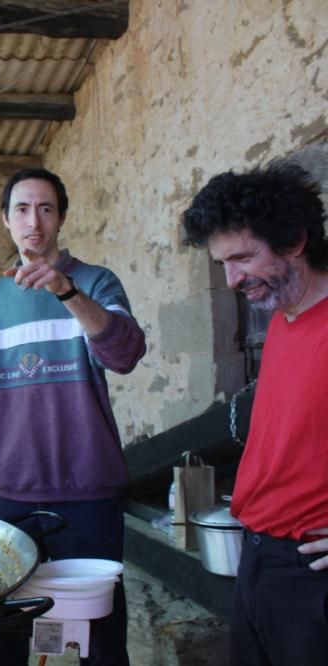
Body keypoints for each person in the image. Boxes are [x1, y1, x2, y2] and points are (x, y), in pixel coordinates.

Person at [0, 168, 146, 666]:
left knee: (97, 636)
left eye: (45, 208)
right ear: (5, 219)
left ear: (61, 217)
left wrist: (67, 291)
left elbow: (125, 353)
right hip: (13, 492)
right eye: (21, 209)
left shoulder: (95, 282)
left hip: (87, 491)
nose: (33, 221)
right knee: (4, 630)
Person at [180, 161, 328, 664]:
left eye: (242, 257)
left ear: (294, 241)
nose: (231, 279)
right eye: (222, 262)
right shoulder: (285, 317)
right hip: (259, 556)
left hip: (311, 570)